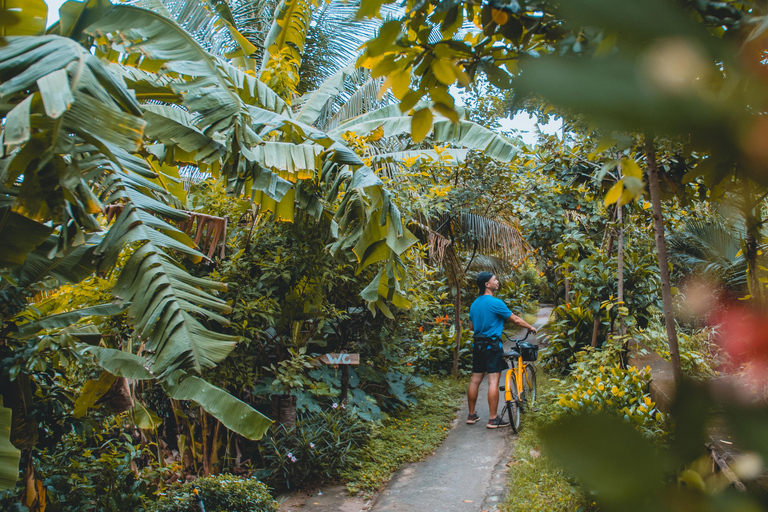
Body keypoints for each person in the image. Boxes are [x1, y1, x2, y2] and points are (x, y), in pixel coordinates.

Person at [467, 272, 537, 429]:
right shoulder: (495, 303)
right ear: (487, 284)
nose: (497, 282)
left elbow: (472, 327)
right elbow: (516, 320)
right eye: (495, 280)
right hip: (492, 346)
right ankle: (493, 418)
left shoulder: (474, 304)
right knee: (493, 381)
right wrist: (530, 326)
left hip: (477, 346)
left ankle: (471, 415)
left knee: (475, 380)